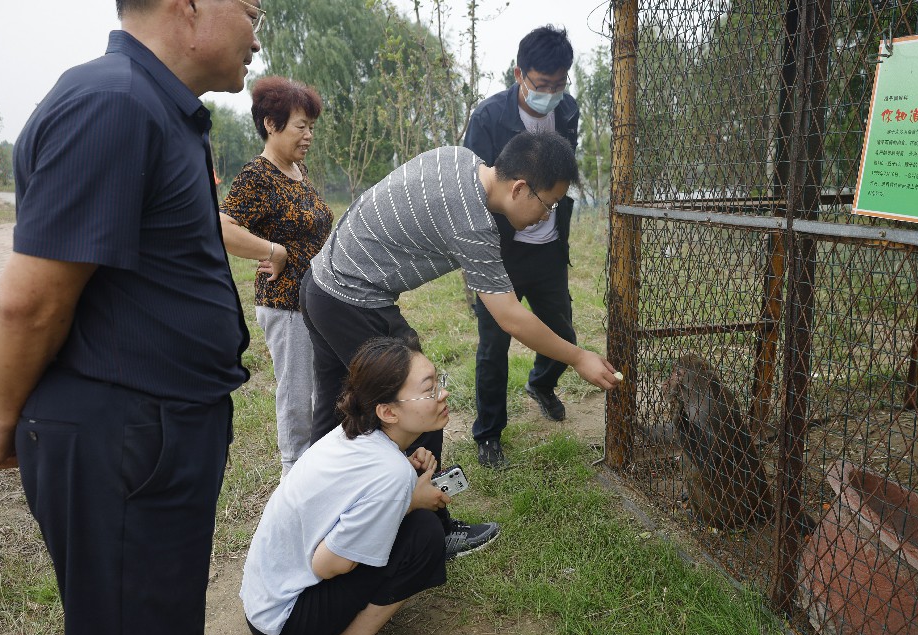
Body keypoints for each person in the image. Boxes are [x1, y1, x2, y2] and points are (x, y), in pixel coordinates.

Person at [0, 0, 261, 635]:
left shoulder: (153, 108)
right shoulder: (113, 104)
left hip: (152, 432)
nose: (258, 36)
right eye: (253, 12)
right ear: (189, 5)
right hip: (124, 434)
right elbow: (32, 302)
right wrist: (0, 417)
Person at [301, 129, 620, 560]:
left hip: (320, 283)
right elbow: (508, 316)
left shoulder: (459, 158)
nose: (547, 217)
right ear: (520, 187)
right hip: (352, 298)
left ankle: (314, 521)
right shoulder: (474, 222)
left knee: (333, 416)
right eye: (548, 205)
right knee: (423, 406)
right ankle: (435, 532)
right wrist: (579, 356)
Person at [241, 336, 451, 635]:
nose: (441, 394)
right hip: (286, 621)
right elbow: (328, 565)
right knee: (426, 535)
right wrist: (410, 501)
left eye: (439, 382)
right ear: (387, 411)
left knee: (413, 525)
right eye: (429, 390)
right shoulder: (390, 473)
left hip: (263, 599)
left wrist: (403, 493)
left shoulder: (354, 434)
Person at [464, 25, 580, 469]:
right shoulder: (489, 118)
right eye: (541, 85)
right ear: (519, 74)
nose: (551, 94)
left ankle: (541, 383)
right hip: (500, 250)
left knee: (563, 332)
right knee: (493, 346)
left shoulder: (567, 111)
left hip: (548, 247)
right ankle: (489, 434)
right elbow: (473, 189)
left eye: (559, 84)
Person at [221, 76, 333, 476]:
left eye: (311, 128)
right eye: (301, 126)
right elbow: (222, 225)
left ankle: (319, 473)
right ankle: (293, 477)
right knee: (296, 396)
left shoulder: (298, 170)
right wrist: (274, 251)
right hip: (286, 304)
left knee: (325, 393)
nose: (308, 135)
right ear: (272, 124)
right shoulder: (259, 175)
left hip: (317, 303)